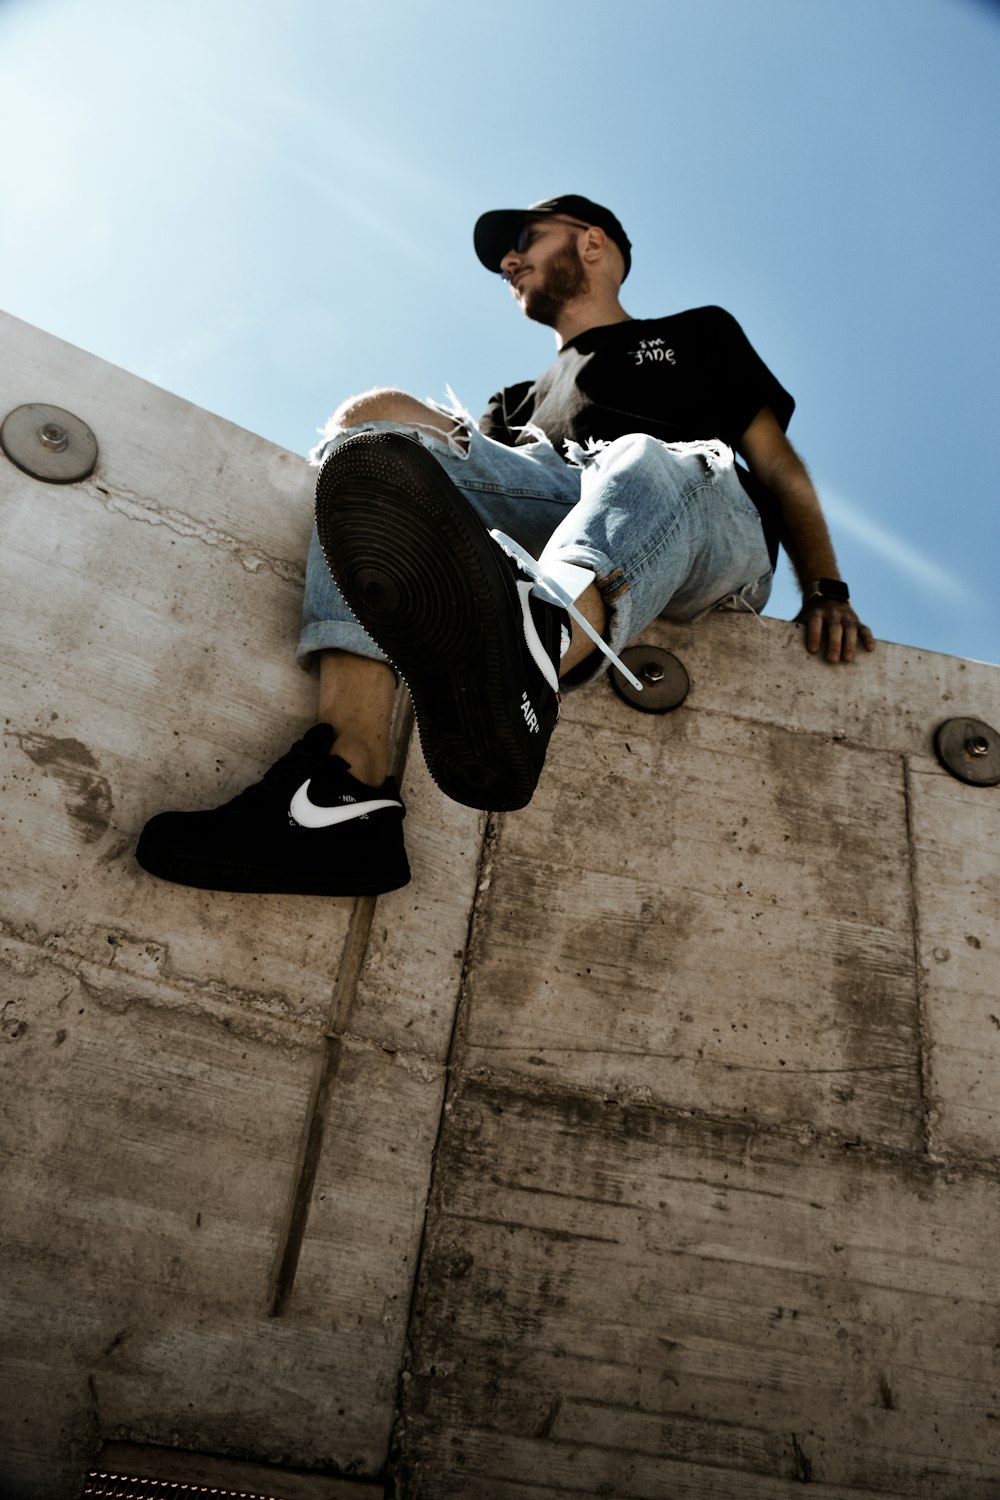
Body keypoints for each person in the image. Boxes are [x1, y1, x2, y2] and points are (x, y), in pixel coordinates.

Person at [137, 193, 875, 898]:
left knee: (642, 456)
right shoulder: (515, 402)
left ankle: (530, 662)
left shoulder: (698, 334)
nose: (508, 265)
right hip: (562, 501)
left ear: (593, 243)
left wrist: (826, 587)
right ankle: (342, 797)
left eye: (524, 240)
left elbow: (778, 465)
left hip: (703, 514)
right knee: (376, 450)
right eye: (504, 260)